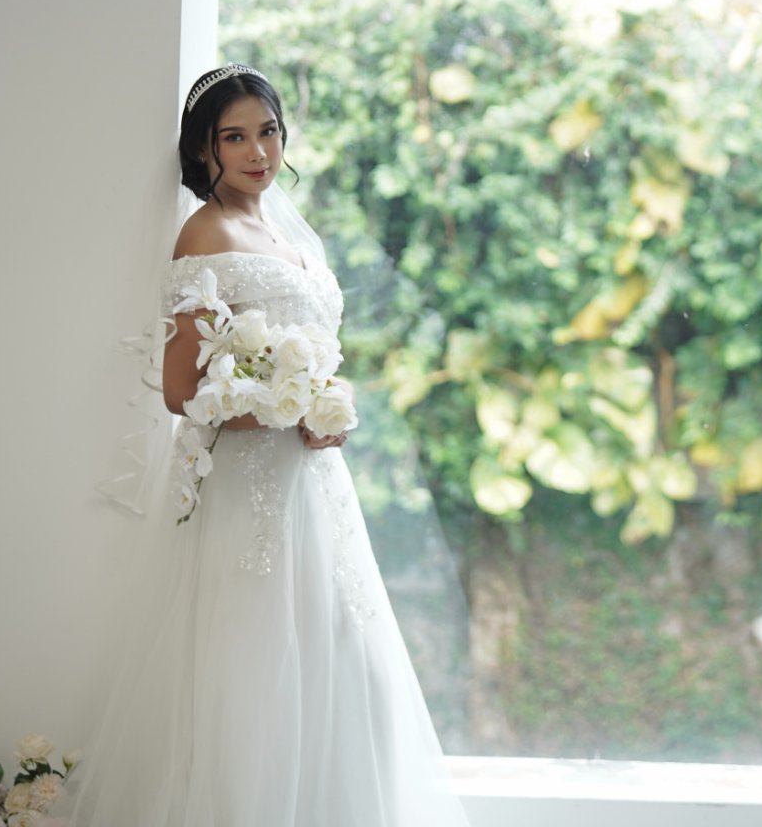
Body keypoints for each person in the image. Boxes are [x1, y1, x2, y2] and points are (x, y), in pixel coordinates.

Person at [72, 65, 468, 826]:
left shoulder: (288, 233)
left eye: (268, 131)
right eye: (235, 137)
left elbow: (311, 358)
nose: (257, 151)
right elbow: (181, 389)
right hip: (246, 494)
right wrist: (281, 410)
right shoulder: (205, 233)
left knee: (343, 661)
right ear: (204, 149)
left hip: (316, 490)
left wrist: (326, 410)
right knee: (253, 674)